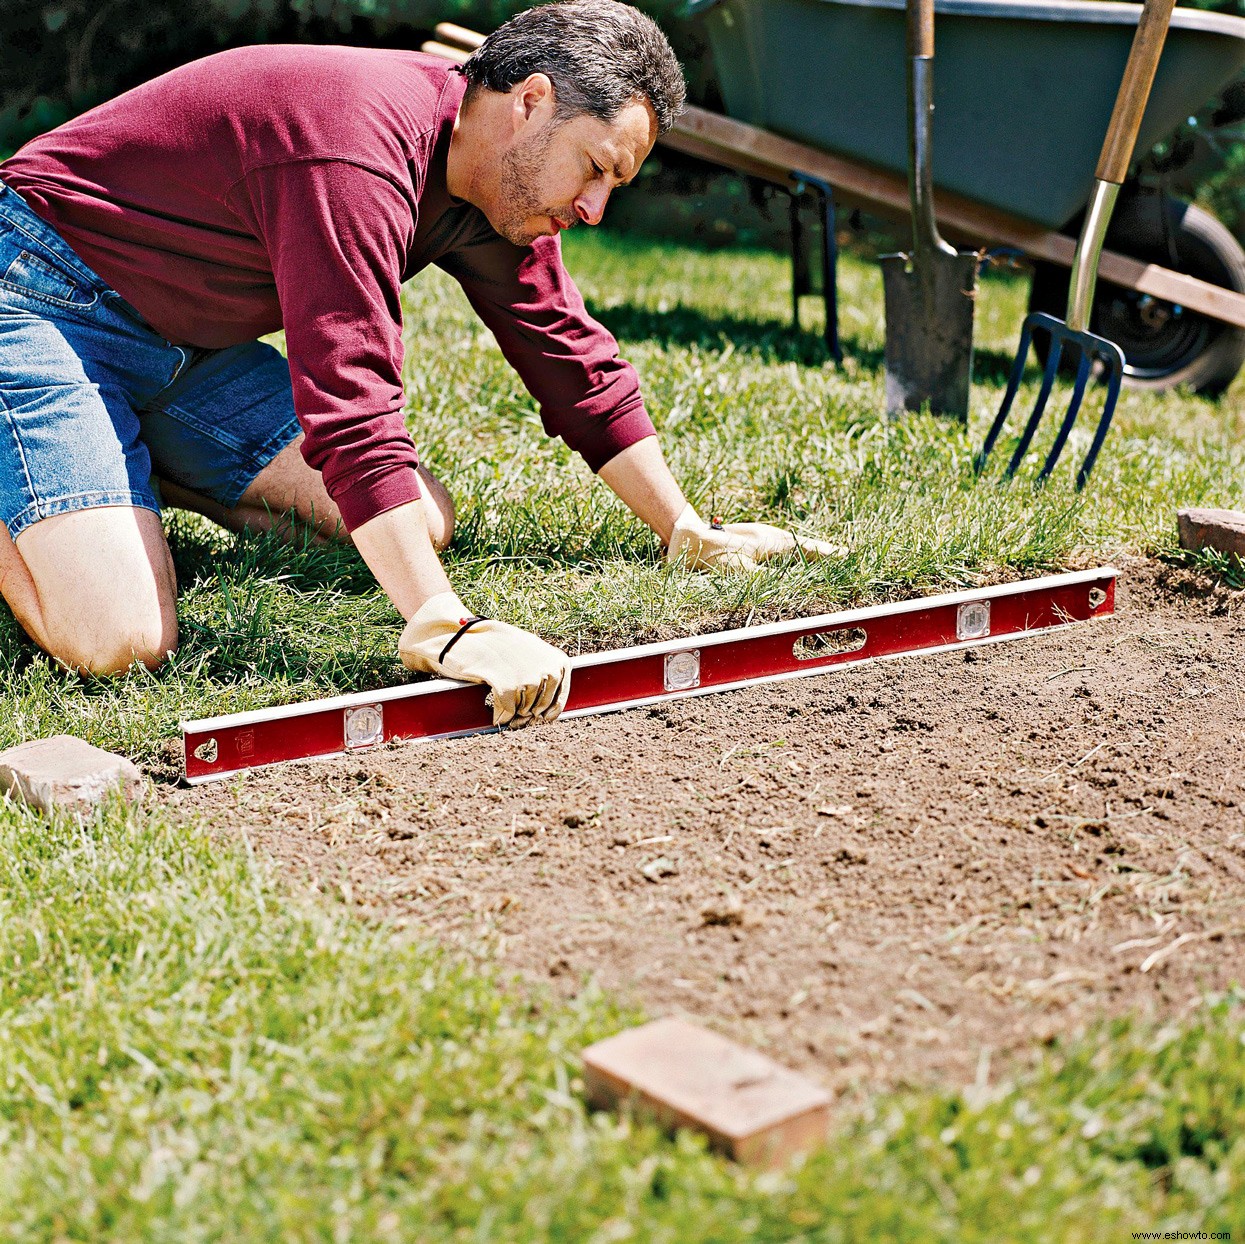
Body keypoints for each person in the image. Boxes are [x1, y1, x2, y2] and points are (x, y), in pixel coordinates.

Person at [0, 0, 835, 729]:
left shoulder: (490, 187)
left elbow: (566, 352)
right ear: (531, 103)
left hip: (181, 350)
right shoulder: (352, 150)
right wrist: (441, 619)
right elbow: (350, 396)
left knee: (418, 521)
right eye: (594, 169)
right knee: (118, 642)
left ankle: (116, 466)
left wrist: (683, 529)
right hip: (37, 294)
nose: (594, 206)